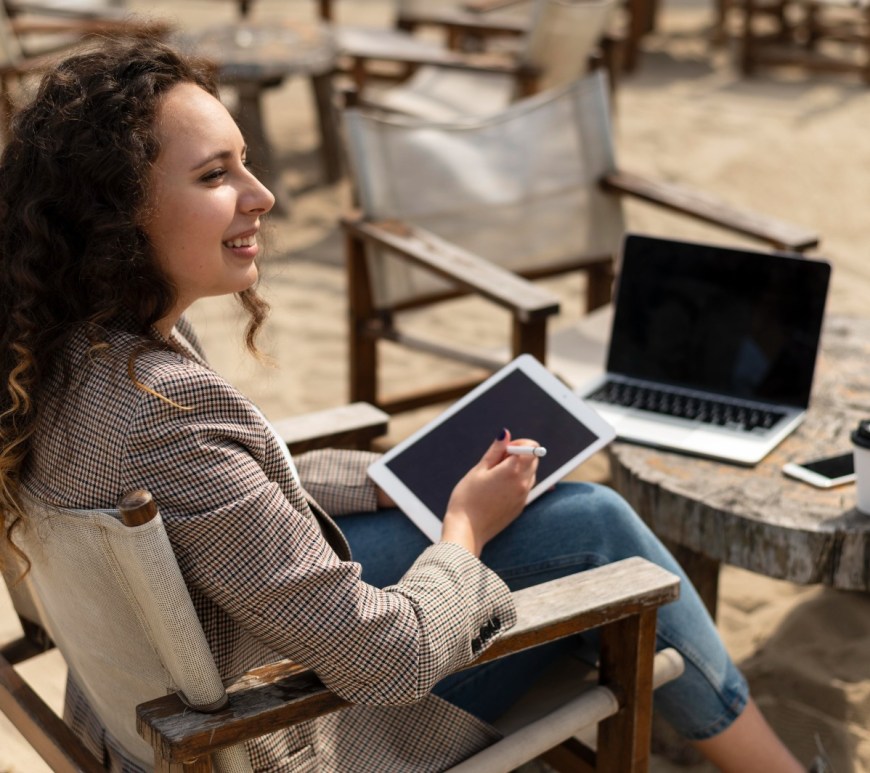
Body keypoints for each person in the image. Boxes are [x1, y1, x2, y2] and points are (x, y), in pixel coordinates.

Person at [0, 35, 816, 773]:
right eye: (216, 175)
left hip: (171, 682)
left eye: (245, 161)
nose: (262, 195)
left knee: (557, 510)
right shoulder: (164, 415)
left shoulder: (70, 354)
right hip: (296, 725)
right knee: (596, 528)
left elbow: (229, 497)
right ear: (113, 214)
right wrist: (463, 524)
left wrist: (399, 478)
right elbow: (386, 661)